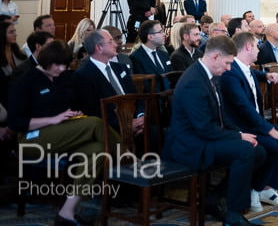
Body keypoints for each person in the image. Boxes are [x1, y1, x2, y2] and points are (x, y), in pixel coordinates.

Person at [162, 35, 269, 226]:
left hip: (206, 137)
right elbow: (204, 128)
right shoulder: (194, 82)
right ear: (215, 57)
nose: (229, 68)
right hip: (190, 145)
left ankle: (216, 197)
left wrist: (240, 133)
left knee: (258, 149)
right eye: (228, 63)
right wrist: (238, 136)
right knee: (245, 150)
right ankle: (233, 212)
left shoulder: (210, 74)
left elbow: (221, 115)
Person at [8, 40, 109, 226]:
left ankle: (67, 212)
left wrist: (71, 116)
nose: (62, 68)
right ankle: (127, 159)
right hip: (31, 137)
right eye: (58, 64)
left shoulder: (61, 78)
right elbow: (15, 122)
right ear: (46, 61)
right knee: (94, 123)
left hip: (58, 132)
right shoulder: (26, 80)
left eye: (65, 64)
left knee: (97, 148)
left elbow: (60, 109)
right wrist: (53, 120)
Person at [219, 31, 278, 210]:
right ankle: (255, 189)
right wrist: (270, 130)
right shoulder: (229, 74)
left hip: (256, 124)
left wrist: (266, 75)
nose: (259, 49)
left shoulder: (243, 67)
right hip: (243, 129)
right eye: (257, 45)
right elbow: (244, 108)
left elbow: (251, 73)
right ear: (248, 47)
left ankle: (267, 187)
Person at [72, 30, 143, 135]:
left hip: (136, 122)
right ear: (99, 48)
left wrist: (141, 116)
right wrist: (125, 125)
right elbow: (94, 113)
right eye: (110, 42)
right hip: (110, 130)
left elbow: (135, 96)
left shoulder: (120, 68)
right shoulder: (83, 76)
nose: (115, 44)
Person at [130, 20, 172, 91]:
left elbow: (171, 77)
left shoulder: (164, 54)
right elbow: (144, 85)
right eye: (160, 32)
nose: (164, 34)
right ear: (150, 37)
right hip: (152, 98)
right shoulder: (136, 58)